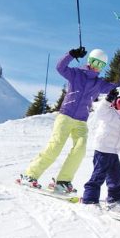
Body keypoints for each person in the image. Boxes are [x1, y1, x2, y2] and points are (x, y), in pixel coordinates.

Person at [19, 47, 109, 193]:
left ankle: (62, 181)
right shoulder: (76, 74)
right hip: (65, 116)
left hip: (81, 121)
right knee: (55, 147)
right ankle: (29, 175)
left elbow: (116, 87)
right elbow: (60, 67)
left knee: (80, 150)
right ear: (89, 61)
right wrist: (71, 55)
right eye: (94, 62)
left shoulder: (99, 83)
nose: (96, 67)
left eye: (101, 65)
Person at [80, 86, 120, 215]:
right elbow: (100, 112)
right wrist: (107, 100)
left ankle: (114, 201)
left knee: (115, 179)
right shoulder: (108, 112)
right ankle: (89, 200)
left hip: (114, 152)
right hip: (102, 150)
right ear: (115, 101)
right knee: (98, 176)